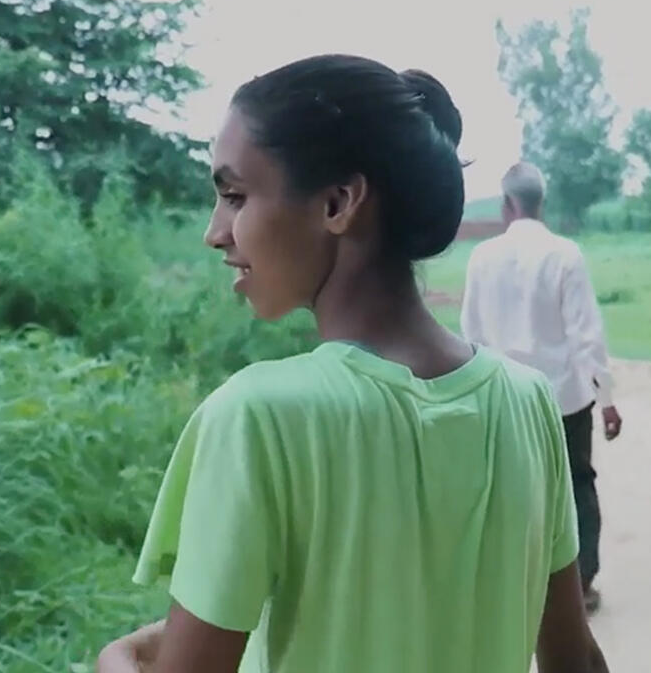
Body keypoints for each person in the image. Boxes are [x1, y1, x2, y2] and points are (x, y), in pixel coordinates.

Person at [96, 54, 609, 673]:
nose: (216, 231)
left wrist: (116, 660)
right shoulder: (526, 401)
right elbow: (572, 660)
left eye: (234, 195)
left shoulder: (258, 417)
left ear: (339, 202)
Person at [459, 162, 622, 614]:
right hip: (564, 399)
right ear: (540, 202)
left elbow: (470, 333)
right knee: (576, 484)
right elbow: (585, 336)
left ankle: (517, 581)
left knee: (511, 488)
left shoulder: (481, 258)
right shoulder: (565, 254)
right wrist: (605, 400)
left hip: (503, 397)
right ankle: (581, 583)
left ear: (507, 204)